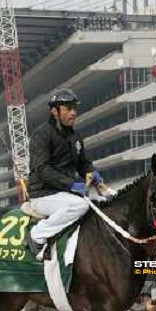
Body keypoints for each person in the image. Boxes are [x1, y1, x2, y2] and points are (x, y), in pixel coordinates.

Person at [26, 88, 103, 260]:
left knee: (105, 202)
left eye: (74, 108)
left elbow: (83, 163)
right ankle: (37, 234)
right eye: (68, 109)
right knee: (80, 206)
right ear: (54, 111)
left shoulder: (75, 136)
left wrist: (94, 174)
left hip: (66, 193)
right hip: (43, 194)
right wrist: (72, 184)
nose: (73, 113)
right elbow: (42, 169)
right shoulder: (42, 134)